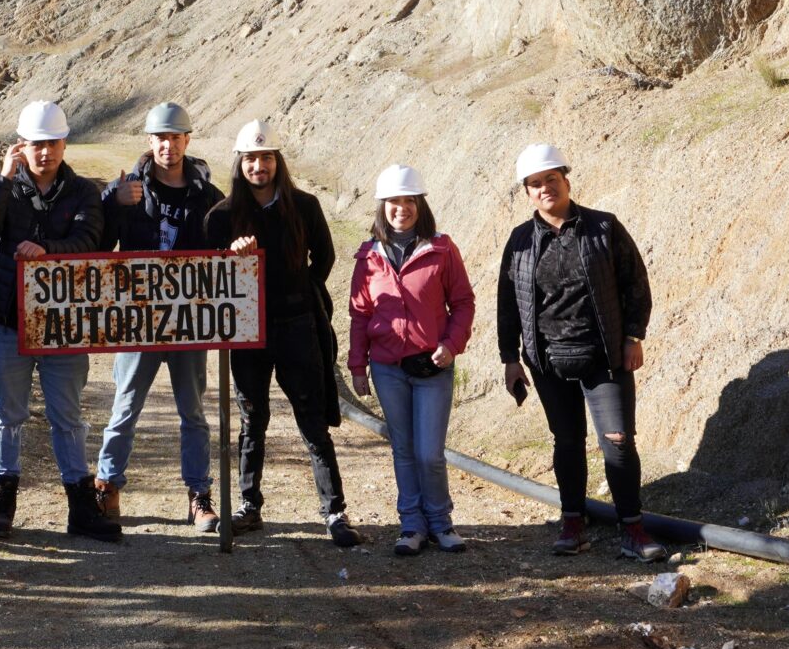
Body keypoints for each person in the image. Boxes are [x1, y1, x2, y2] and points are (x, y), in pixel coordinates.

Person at [496, 143, 667, 562]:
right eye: (535, 184)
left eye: (551, 179)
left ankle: (633, 529)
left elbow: (635, 284)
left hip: (604, 356)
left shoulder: (603, 228)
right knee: (566, 441)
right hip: (547, 360)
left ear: (566, 181)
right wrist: (510, 358)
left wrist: (633, 336)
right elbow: (508, 302)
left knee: (618, 441)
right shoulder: (519, 242)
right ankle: (573, 523)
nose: (544, 188)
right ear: (527, 192)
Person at [204, 120, 362, 547]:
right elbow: (211, 276)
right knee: (253, 419)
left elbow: (324, 258)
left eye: (267, 157)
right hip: (247, 333)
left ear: (278, 161)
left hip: (296, 326)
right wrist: (232, 259)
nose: (259, 165)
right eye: (251, 158)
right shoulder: (221, 216)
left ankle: (335, 511)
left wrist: (299, 291)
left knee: (312, 421)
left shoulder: (305, 205)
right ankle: (249, 504)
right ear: (240, 162)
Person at [0, 99, 119, 543]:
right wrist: (1, 178)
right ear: (22, 146)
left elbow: (90, 241)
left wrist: (47, 251)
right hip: (9, 318)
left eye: (52, 143)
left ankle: (80, 504)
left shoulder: (84, 191)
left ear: (64, 144)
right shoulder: (7, 187)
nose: (45, 152)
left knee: (67, 414)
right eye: (36, 145)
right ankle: (4, 497)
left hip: (63, 321)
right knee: (7, 412)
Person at [93, 102, 224, 533]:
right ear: (150, 142)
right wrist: (112, 202)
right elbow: (99, 245)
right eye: (160, 138)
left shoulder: (207, 195)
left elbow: (226, 250)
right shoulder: (129, 189)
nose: (168, 145)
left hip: (188, 321)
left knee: (193, 412)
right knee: (125, 406)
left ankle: (198, 495)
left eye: (175, 137)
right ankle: (108, 487)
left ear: (188, 140)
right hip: (138, 320)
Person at [348, 164, 476, 557]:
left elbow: (463, 303)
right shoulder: (369, 256)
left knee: (429, 452)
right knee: (403, 448)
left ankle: (441, 522)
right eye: (393, 201)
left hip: (433, 367)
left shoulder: (441, 249)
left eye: (408, 200)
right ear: (382, 206)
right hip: (388, 369)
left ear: (420, 204)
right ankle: (412, 525)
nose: (400, 208)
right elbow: (360, 314)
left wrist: (452, 344)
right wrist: (357, 366)